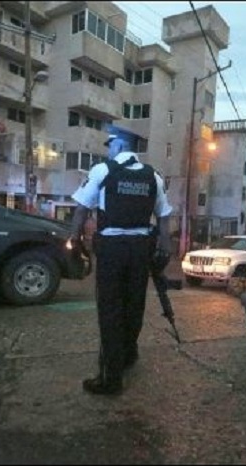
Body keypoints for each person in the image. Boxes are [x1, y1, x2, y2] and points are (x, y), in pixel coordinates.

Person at [70, 130, 173, 395]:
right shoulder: (153, 176)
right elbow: (163, 216)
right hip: (141, 250)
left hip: (112, 250)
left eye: (110, 145)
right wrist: (165, 245)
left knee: (110, 310)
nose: (108, 150)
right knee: (133, 305)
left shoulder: (103, 170)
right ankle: (128, 355)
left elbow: (81, 208)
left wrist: (76, 239)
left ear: (120, 145)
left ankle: (110, 378)